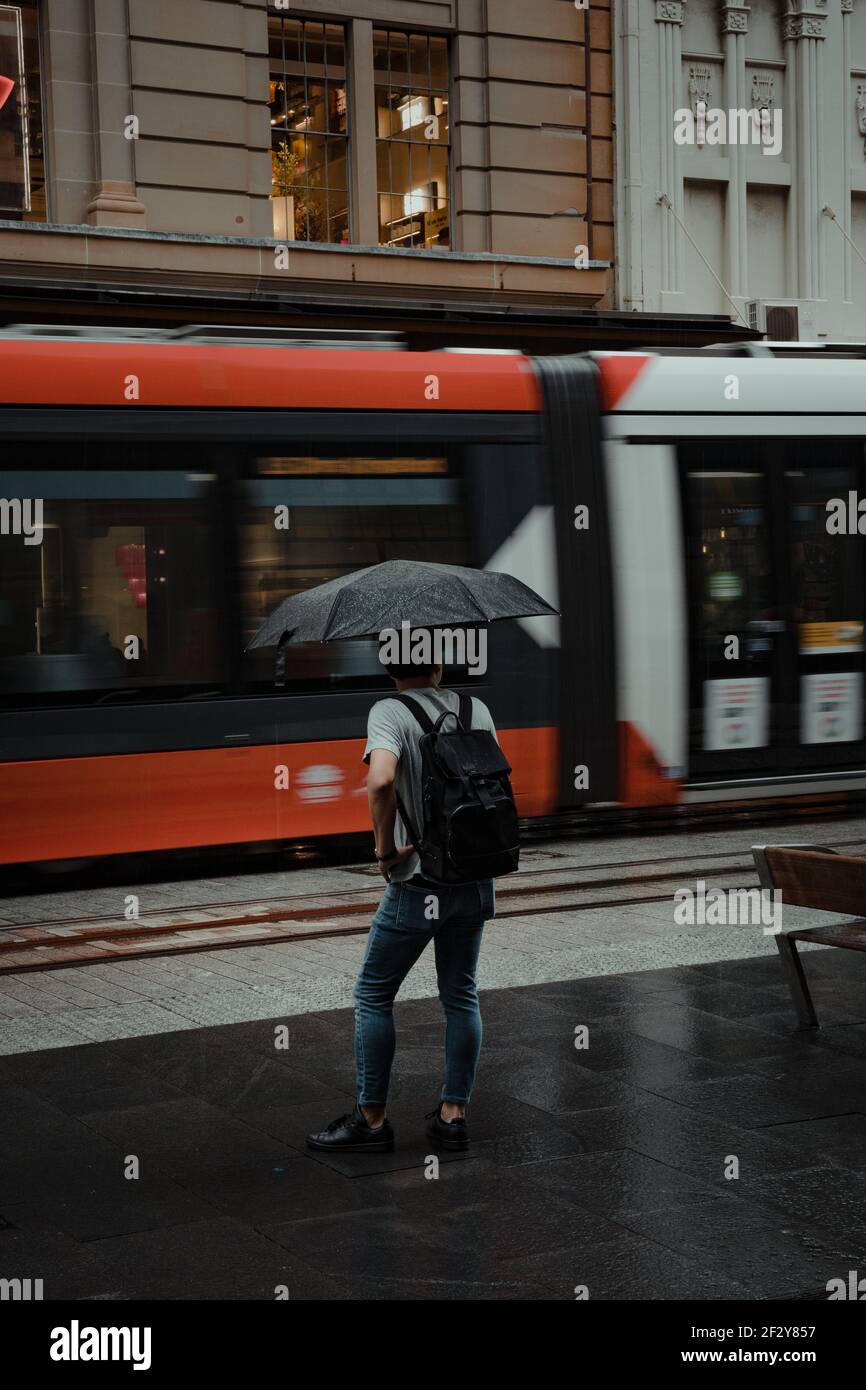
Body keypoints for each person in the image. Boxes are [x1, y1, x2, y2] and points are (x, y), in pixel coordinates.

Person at [306, 656, 498, 1154]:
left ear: (391, 668)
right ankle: (453, 1115)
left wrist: (385, 850)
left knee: (373, 993)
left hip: (419, 881)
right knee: (460, 993)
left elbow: (381, 780)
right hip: (474, 876)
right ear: (437, 664)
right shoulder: (476, 708)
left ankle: (371, 1121)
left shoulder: (388, 712)